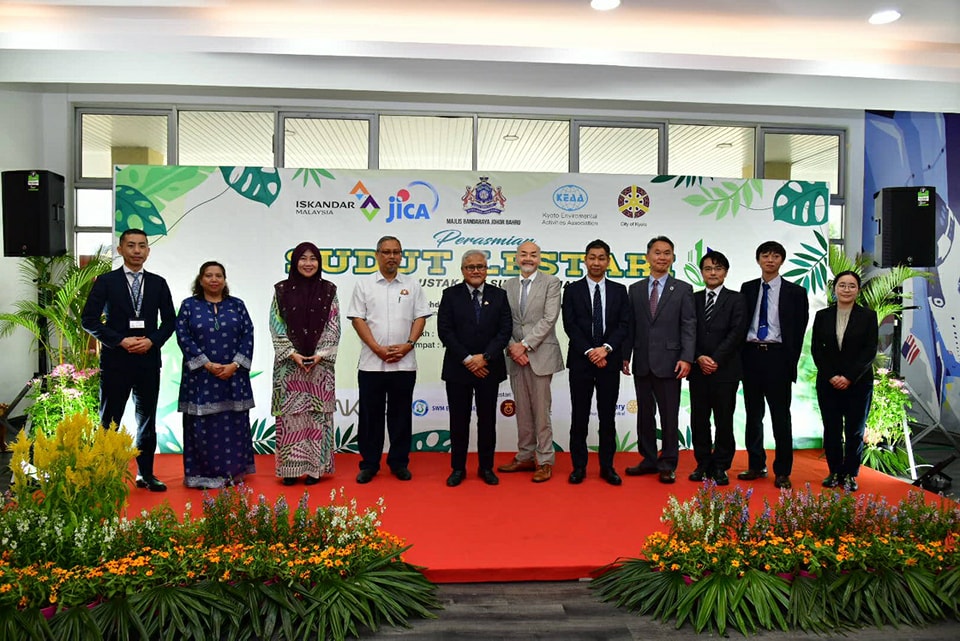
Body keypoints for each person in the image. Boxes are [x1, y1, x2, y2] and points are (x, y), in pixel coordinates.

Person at [81, 228, 176, 492]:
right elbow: (88, 320)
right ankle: (105, 474)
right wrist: (119, 340)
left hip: (147, 361)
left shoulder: (158, 283)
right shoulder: (106, 282)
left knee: (147, 419)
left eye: (142, 246)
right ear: (120, 250)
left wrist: (152, 341)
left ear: (148, 250)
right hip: (116, 361)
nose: (137, 251)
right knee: (110, 419)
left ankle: (146, 474)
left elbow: (170, 321)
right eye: (131, 245)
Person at [346, 236, 430, 484]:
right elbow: (357, 319)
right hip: (371, 364)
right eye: (386, 252)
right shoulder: (364, 285)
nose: (391, 256)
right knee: (370, 417)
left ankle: (399, 462)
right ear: (377, 255)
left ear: (401, 255)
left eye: (396, 252)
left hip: (404, 364)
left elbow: (420, 318)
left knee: (401, 415)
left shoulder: (412, 285)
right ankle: (369, 464)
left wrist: (409, 345)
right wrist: (376, 348)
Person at [175, 261, 256, 489]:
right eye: (208, 275)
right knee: (202, 426)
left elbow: (248, 334)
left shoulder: (237, 305)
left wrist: (235, 364)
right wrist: (206, 364)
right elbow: (183, 336)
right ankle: (201, 475)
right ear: (200, 280)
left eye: (218, 275)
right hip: (200, 378)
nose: (214, 279)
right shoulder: (189, 306)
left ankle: (233, 472)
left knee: (232, 423)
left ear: (224, 280)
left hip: (233, 376)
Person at [624, 236, 696, 484]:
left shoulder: (683, 289)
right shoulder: (634, 289)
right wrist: (625, 356)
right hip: (642, 361)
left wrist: (687, 357)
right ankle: (648, 459)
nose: (662, 257)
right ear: (648, 257)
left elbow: (688, 325)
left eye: (667, 253)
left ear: (673, 258)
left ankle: (668, 463)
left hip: (671, 362)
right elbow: (630, 326)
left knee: (669, 415)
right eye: (657, 253)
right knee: (645, 414)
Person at [437, 249, 512, 487]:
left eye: (480, 266)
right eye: (471, 267)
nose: (476, 271)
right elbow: (445, 331)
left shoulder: (499, 295)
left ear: (487, 269)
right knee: (459, 421)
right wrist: (469, 359)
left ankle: (486, 467)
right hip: (459, 369)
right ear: (462, 270)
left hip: (489, 368)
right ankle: (458, 468)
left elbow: (505, 330)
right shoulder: (450, 295)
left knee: (487, 420)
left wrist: (485, 357)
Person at [738, 240, 809, 489]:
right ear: (758, 260)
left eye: (775, 256)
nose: (770, 260)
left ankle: (782, 471)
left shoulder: (796, 293)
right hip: (751, 355)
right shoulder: (746, 289)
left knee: (781, 417)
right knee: (752, 415)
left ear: (782, 261)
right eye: (765, 255)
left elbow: (799, 331)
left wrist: (790, 361)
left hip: (778, 357)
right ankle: (756, 465)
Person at [561, 239, 632, 486]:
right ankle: (579, 467)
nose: (596, 262)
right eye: (592, 257)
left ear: (608, 261)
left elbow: (624, 325)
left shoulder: (619, 290)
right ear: (585, 259)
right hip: (581, 362)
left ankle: (607, 467)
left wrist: (606, 349)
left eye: (601, 258)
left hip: (609, 362)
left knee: (607, 418)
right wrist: (591, 351)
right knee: (579, 417)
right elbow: (570, 325)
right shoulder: (571, 289)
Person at [270, 242, 340, 486]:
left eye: (313, 258)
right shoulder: (281, 290)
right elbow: (276, 325)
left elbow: (334, 324)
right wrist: (292, 353)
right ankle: (290, 470)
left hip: (320, 368)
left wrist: (321, 354)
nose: (308, 263)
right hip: (289, 368)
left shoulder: (329, 290)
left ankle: (314, 469)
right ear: (295, 262)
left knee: (317, 419)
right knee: (290, 419)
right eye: (303, 258)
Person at [498, 241, 565, 483]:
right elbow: (503, 321)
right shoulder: (508, 286)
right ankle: (525, 456)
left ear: (540, 258)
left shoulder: (551, 282)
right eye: (524, 254)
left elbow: (549, 319)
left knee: (540, 413)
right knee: (523, 412)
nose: (528, 258)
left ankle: (545, 460)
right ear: (516, 258)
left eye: (533, 255)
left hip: (540, 355)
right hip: (516, 357)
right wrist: (513, 348)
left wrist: (524, 345)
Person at [811, 271, 878, 493]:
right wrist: (832, 375)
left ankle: (850, 474)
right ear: (835, 289)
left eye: (851, 286)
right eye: (842, 285)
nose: (846, 289)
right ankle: (834, 472)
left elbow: (869, 351)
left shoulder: (868, 316)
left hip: (858, 383)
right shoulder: (822, 316)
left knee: (854, 431)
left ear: (858, 290)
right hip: (828, 383)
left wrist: (848, 376)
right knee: (831, 428)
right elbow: (816, 350)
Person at [687, 250, 748, 486]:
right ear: (701, 272)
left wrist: (715, 359)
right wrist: (699, 357)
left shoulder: (737, 299)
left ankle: (721, 465)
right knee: (699, 419)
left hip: (726, 371)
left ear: (726, 272)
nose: (713, 273)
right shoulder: (692, 298)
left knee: (724, 419)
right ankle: (703, 463)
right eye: (708, 269)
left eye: (718, 268)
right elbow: (686, 332)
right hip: (697, 369)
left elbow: (737, 333)